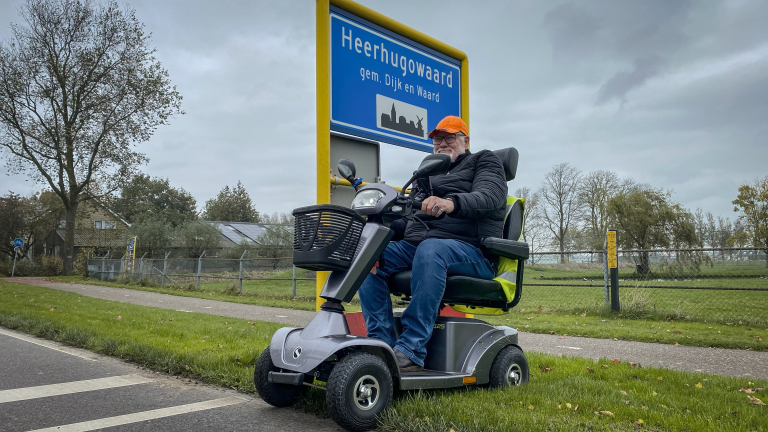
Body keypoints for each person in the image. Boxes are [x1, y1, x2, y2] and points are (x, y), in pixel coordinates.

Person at [358, 115, 508, 372]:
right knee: (368, 253)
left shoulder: (484, 160)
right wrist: (378, 223)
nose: (443, 144)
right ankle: (381, 345)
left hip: (471, 250)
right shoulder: (427, 171)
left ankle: (411, 349)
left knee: (432, 249)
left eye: (450, 137)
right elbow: (410, 222)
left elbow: (489, 196)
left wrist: (451, 202)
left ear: (466, 140)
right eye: (438, 140)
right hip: (420, 246)